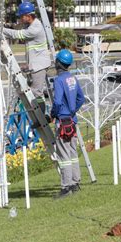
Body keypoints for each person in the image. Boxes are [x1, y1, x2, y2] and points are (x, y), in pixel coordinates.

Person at [0, 1, 51, 111]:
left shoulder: (35, 28)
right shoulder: (32, 25)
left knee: (36, 92)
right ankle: (40, 115)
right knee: (36, 92)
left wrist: (0, 30)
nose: (20, 19)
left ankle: (41, 117)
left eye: (21, 17)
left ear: (28, 16)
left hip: (40, 65)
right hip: (36, 64)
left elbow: (16, 34)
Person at [50, 49, 85, 199]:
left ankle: (66, 187)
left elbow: (57, 102)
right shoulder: (72, 78)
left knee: (64, 156)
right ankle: (76, 182)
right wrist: (72, 111)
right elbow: (81, 98)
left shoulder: (58, 80)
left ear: (58, 63)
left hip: (62, 123)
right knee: (72, 153)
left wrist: (53, 114)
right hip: (72, 121)